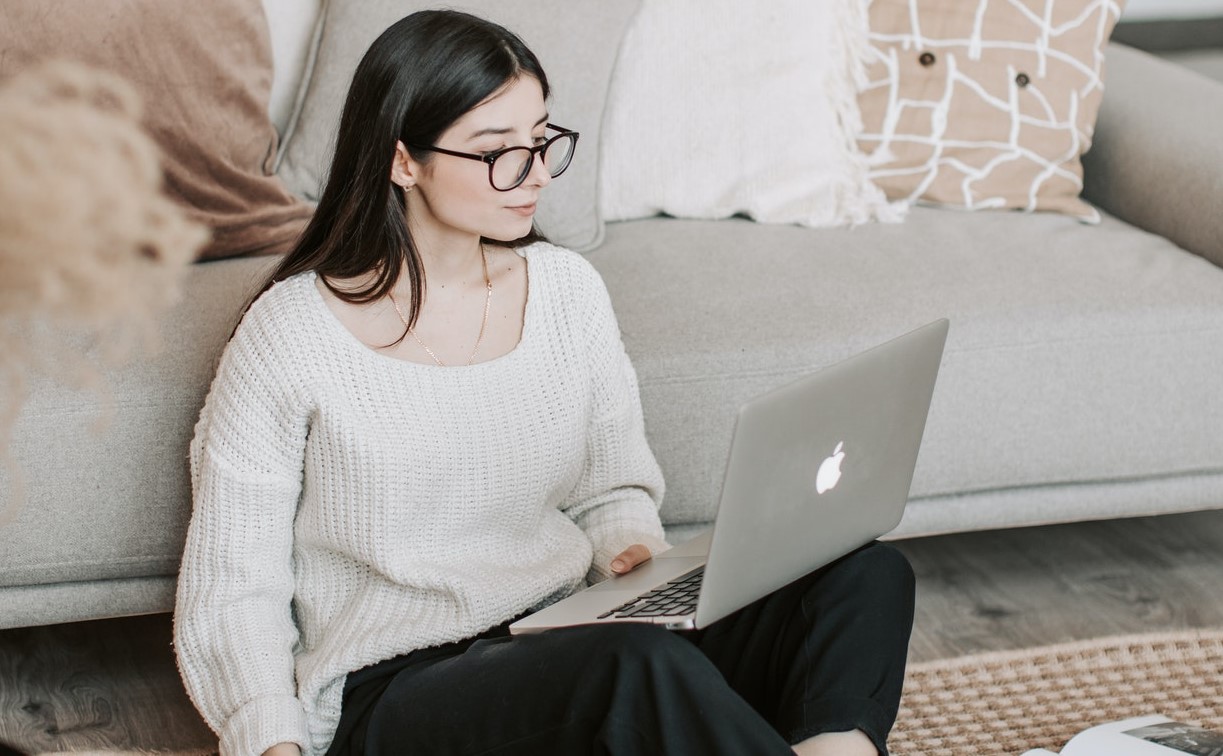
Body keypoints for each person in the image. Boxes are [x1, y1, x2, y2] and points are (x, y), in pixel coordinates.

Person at [173, 10, 915, 756]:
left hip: (560, 630)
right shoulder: (291, 334)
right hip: (397, 691)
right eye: (498, 153)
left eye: (540, 142)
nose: (532, 176)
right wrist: (273, 743)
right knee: (630, 669)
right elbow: (234, 589)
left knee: (860, 575)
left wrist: (627, 550)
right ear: (404, 161)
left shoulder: (566, 290)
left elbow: (610, 491)